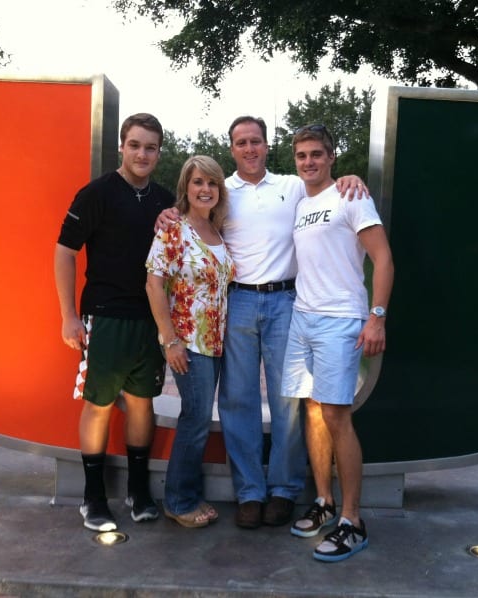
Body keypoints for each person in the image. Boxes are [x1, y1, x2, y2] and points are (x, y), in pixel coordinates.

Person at [157, 116, 368, 529]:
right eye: (241, 142)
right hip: (237, 302)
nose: (249, 148)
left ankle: (284, 490)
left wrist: (352, 176)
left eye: (256, 141)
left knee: (290, 400)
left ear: (267, 146)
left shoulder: (291, 187)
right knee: (238, 400)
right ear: (232, 149)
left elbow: (327, 184)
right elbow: (190, 216)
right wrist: (167, 213)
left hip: (286, 301)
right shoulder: (222, 193)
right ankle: (250, 491)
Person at [54, 113, 175, 531]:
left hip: (148, 319)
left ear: (159, 152)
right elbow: (64, 252)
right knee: (99, 404)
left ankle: (138, 491)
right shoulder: (96, 194)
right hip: (104, 316)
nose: (142, 154)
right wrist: (69, 316)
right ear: (121, 147)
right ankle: (93, 498)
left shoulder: (164, 201)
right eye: (135, 145)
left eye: (151, 147)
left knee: (143, 404)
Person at [283, 124, 393, 563]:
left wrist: (377, 317)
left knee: (336, 414)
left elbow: (383, 258)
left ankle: (353, 521)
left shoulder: (351, 195)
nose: (309, 161)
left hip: (341, 320)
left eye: (316, 154)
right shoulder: (299, 201)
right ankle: (325, 502)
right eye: (302, 155)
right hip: (301, 319)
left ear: (331, 158)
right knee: (311, 409)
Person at [145, 155, 235, 528]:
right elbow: (153, 283)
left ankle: (188, 493)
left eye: (212, 183)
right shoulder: (173, 230)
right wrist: (170, 340)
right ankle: (179, 501)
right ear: (186, 187)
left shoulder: (218, 231)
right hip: (188, 342)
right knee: (195, 419)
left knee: (198, 418)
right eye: (198, 182)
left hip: (216, 342)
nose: (205, 189)